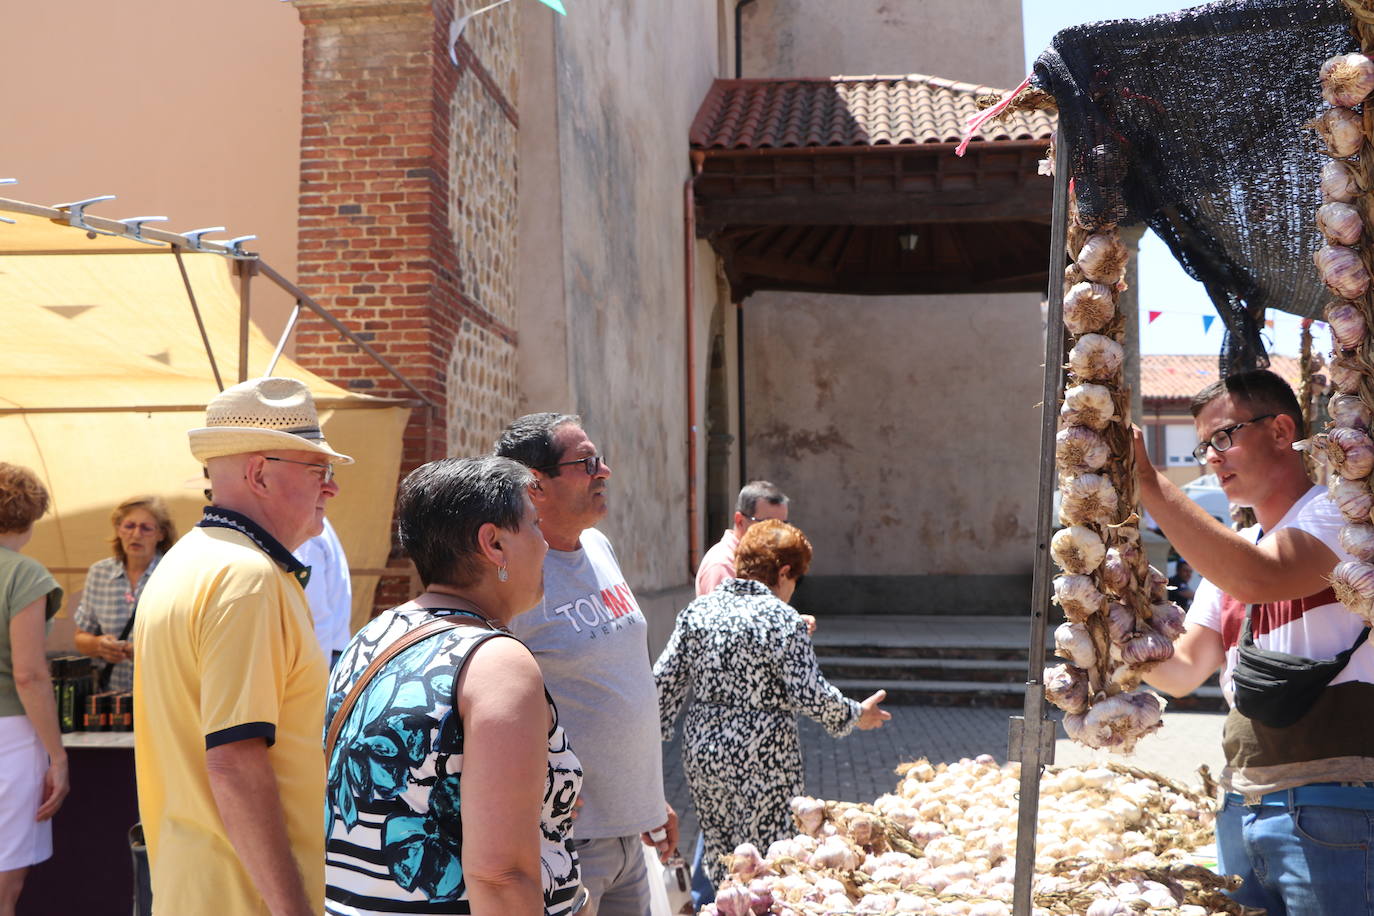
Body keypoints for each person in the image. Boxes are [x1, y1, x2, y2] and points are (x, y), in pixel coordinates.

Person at [1136, 368, 1374, 915]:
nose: (1212, 457)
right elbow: (1182, 671)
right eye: (1203, 446)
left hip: (1335, 802)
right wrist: (1110, 623)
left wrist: (1148, 481)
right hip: (1242, 805)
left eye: (1224, 436)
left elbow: (1262, 576)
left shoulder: (1342, 515)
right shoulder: (1236, 549)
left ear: (1280, 430)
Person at [324, 456, 583, 915]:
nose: (545, 544)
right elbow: (500, 876)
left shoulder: (372, 636)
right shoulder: (496, 663)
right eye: (535, 525)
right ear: (494, 544)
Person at [133, 377, 351, 916]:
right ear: (259, 474)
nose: (331, 488)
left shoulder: (190, 559)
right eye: (318, 470)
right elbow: (234, 763)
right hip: (247, 897)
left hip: (202, 886)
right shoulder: (246, 577)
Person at [495, 412, 676, 916]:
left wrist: (649, 798)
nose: (605, 472)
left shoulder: (598, 546)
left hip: (630, 833)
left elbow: (617, 681)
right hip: (568, 841)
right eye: (587, 463)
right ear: (535, 485)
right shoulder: (514, 575)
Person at [654, 520, 889, 883]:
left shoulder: (697, 613)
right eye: (796, 580)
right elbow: (810, 694)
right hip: (764, 758)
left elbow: (661, 685)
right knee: (768, 863)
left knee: (722, 861)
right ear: (783, 572)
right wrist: (857, 714)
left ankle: (721, 903)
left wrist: (647, 761)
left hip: (703, 753)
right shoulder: (783, 620)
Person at [0, 464, 67, 916]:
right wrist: (57, 756)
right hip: (10, 735)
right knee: (5, 884)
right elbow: (29, 674)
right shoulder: (24, 574)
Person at [73, 495, 177, 692]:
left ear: (161, 534)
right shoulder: (99, 573)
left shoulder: (176, 574)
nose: (136, 534)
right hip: (111, 698)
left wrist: (145, 652)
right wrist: (99, 645)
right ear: (118, 529)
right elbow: (81, 638)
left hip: (160, 694)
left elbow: (187, 644)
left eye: (146, 528)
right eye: (129, 526)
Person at [695, 481, 790, 596]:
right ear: (740, 521)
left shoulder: (762, 559)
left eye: (782, 525)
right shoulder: (723, 564)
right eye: (768, 524)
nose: (777, 532)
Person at [296, 516, 352, 668]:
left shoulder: (303, 529)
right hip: (327, 651)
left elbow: (315, 615)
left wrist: (317, 671)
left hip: (322, 654)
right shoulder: (312, 523)